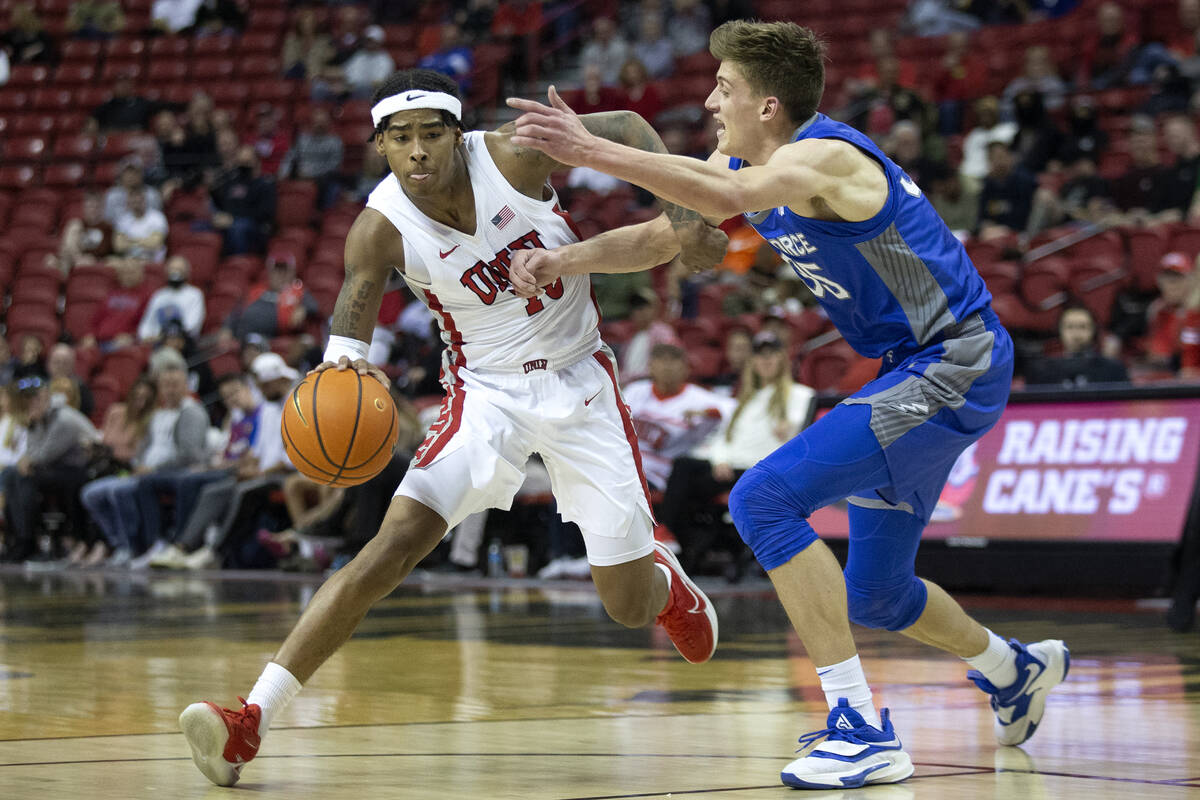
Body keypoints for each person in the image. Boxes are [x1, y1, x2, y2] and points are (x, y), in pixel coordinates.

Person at [506, 20, 1069, 790]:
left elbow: (729, 195)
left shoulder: (826, 158)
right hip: (913, 369)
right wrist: (562, 260)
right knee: (878, 592)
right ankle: (1014, 669)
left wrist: (590, 150)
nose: (710, 101)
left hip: (954, 362)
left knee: (763, 500)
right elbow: (671, 230)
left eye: (725, 89)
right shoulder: (742, 159)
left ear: (768, 105)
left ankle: (860, 726)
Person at [179, 68, 728, 788]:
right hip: (485, 395)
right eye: (400, 138)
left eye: (432, 133)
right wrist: (346, 371)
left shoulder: (512, 155)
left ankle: (667, 585)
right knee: (392, 544)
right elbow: (350, 327)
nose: (418, 151)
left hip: (579, 379)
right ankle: (250, 721)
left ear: (456, 132)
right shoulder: (378, 230)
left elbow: (625, 126)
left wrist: (687, 211)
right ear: (380, 145)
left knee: (627, 608)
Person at [659, 331, 815, 567]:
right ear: (752, 362)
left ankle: (678, 543)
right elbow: (724, 438)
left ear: (783, 359)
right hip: (731, 467)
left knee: (685, 475)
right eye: (760, 356)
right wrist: (721, 460)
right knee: (682, 467)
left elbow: (796, 440)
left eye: (772, 355)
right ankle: (676, 542)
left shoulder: (801, 395)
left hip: (761, 472)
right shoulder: (747, 400)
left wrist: (790, 428)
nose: (765, 360)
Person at [1024, 304, 1129, 386]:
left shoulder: (1113, 369)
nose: (1076, 334)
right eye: (1070, 327)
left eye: (1083, 327)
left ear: (1094, 331)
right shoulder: (1041, 371)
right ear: (1059, 331)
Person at [138, 255, 206, 342]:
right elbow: (146, 323)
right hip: (154, 341)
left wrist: (168, 337)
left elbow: (191, 326)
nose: (175, 273)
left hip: (181, 343)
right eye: (172, 269)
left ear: (187, 273)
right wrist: (146, 336)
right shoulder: (159, 295)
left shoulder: (195, 295)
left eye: (179, 270)